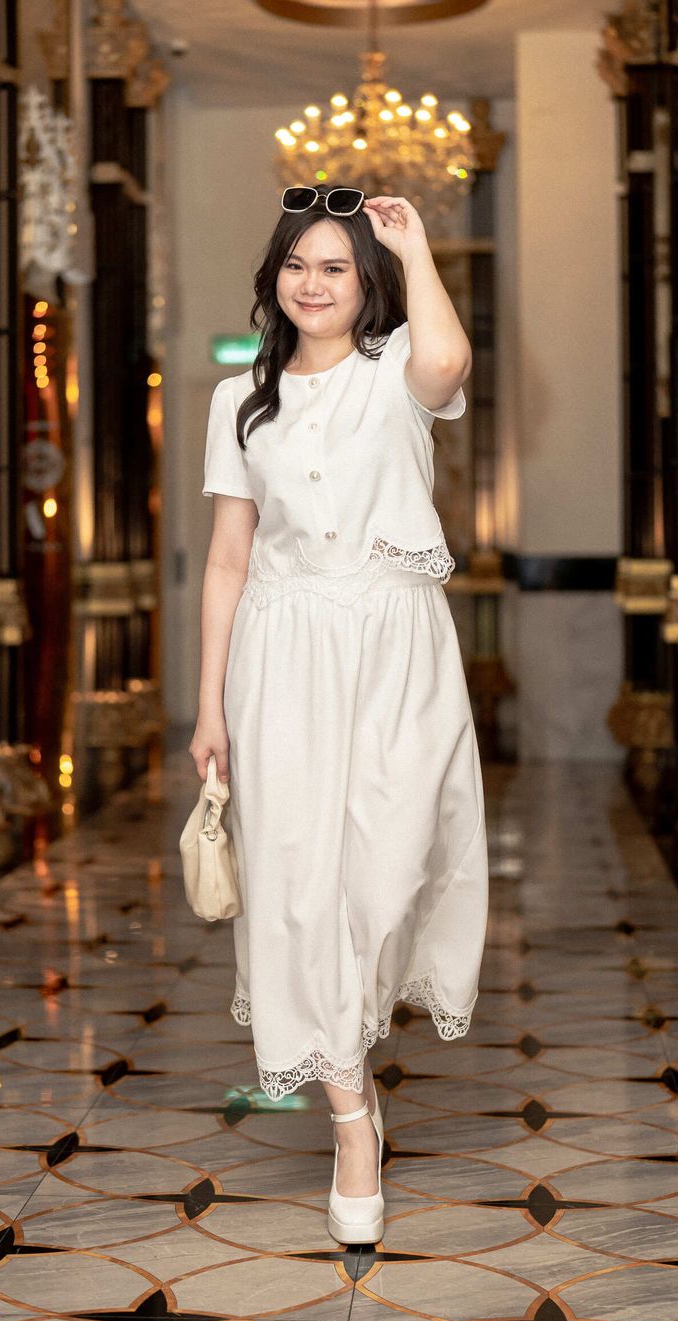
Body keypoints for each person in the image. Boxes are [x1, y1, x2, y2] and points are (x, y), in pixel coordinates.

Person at [191, 184, 489, 1245]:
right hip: (281, 651)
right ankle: (350, 1115)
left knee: (390, 864)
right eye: (296, 265)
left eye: (335, 268)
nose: (312, 284)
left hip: (398, 644)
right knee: (298, 885)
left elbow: (450, 366)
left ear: (364, 287)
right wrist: (208, 706)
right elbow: (229, 558)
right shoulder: (236, 400)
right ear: (272, 278)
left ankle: (351, 1047)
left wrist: (415, 249)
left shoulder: (398, 373)